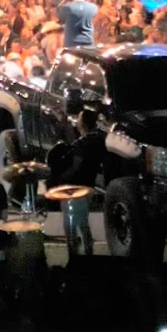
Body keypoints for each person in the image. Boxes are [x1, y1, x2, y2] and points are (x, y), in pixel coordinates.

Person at [52, 108, 106, 256]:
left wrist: (61, 178)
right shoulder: (100, 140)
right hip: (90, 185)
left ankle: (74, 253)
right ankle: (88, 251)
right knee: (83, 221)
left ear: (83, 124)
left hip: (76, 186)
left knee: (69, 222)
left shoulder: (82, 144)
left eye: (79, 119)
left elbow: (76, 166)